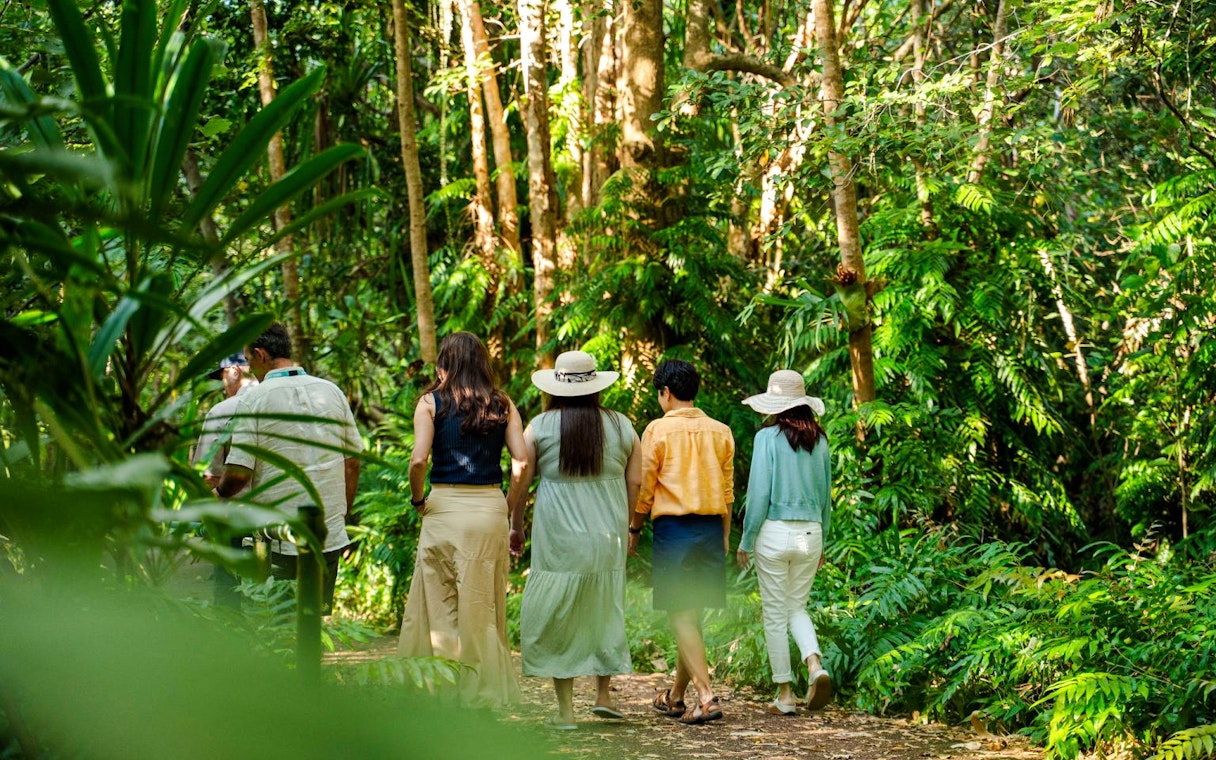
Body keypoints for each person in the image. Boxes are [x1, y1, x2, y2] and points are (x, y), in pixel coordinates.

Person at [510, 350, 642, 729]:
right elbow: (636, 480)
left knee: (559, 615)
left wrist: (516, 525)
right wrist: (629, 524)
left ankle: (566, 713)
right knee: (605, 608)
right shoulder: (621, 425)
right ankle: (602, 695)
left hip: (558, 538)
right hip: (607, 536)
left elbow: (521, 478)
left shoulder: (540, 425)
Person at [397, 332, 528, 709]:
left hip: (443, 509)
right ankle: (481, 696)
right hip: (488, 509)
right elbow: (520, 462)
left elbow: (419, 460)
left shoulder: (430, 402)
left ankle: (436, 694)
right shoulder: (502, 403)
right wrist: (506, 504)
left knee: (437, 603)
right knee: (481, 606)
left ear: (444, 364)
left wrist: (418, 499)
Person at [213, 323, 363, 615]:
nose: (251, 369)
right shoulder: (331, 392)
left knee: (282, 624)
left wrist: (219, 493)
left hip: (281, 538)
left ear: (260, 354)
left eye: (249, 360)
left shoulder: (255, 399)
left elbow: (240, 472)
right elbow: (352, 462)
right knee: (313, 621)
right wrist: (339, 515)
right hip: (327, 534)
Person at [627, 359, 734, 725]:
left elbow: (646, 488)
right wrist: (724, 536)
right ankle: (675, 697)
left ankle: (706, 697)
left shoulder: (656, 431)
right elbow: (727, 491)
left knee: (681, 614)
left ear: (666, 392)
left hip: (674, 530)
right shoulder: (721, 431)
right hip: (709, 529)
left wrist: (634, 529)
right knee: (691, 616)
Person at [735, 369, 833, 714]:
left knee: (775, 614)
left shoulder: (767, 438)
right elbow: (826, 498)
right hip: (811, 534)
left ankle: (786, 695)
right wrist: (824, 543)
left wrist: (746, 540)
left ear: (776, 405)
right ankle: (814, 664)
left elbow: (759, 495)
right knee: (797, 608)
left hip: (774, 534)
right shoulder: (820, 440)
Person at [194, 352, 256, 607]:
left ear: (234, 371)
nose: (222, 384)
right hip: (284, 517)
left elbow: (209, 474)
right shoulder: (283, 405)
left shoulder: (223, 411)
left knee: (229, 594)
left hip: (236, 519)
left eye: (222, 376)